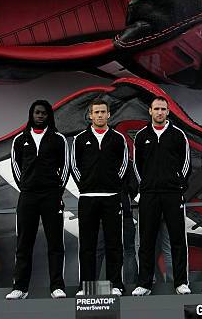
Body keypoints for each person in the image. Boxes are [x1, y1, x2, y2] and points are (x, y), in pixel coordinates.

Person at [6, 100, 69, 300]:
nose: (40, 116)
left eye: (43, 113)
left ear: (49, 116)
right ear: (31, 115)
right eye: (37, 113)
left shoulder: (58, 139)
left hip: (52, 196)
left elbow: (65, 166)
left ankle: (57, 286)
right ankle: (20, 288)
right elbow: (16, 166)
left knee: (55, 243)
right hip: (28, 196)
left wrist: (57, 190)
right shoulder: (20, 140)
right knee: (24, 242)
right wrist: (25, 186)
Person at [131, 96, 191, 296]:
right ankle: (145, 284)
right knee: (146, 241)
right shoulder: (141, 136)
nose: (159, 112)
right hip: (149, 195)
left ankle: (181, 282)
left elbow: (186, 164)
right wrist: (145, 186)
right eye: (156, 108)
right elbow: (136, 165)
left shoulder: (178, 135)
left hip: (173, 195)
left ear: (168, 112)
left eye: (163, 109)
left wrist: (178, 186)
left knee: (177, 241)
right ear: (150, 111)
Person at [71, 99, 128, 296]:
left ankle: (116, 285)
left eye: (103, 112)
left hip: (112, 197)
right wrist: (85, 186)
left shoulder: (118, 138)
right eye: (96, 112)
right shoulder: (80, 139)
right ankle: (86, 287)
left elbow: (124, 165)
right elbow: (74, 166)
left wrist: (113, 185)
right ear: (90, 115)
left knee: (114, 244)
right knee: (88, 245)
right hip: (87, 198)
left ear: (109, 115)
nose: (100, 115)